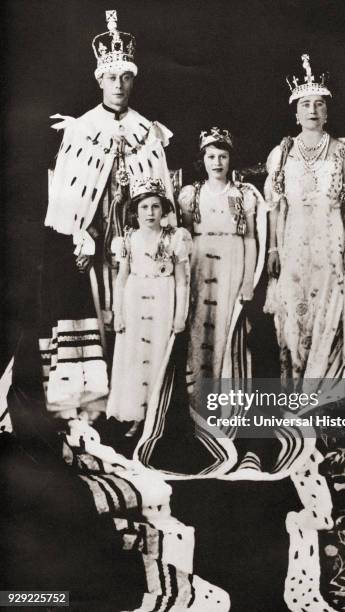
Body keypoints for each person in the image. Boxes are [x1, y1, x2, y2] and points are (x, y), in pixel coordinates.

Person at [39, 10, 174, 419]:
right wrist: (82, 234)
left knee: (135, 315)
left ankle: (133, 405)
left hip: (137, 241)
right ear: (99, 80)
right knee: (98, 313)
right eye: (111, 78)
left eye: (126, 77)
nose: (119, 85)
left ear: (134, 80)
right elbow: (66, 197)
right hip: (94, 240)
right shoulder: (80, 130)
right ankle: (96, 404)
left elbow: (162, 195)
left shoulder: (146, 131)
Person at [264, 54, 345, 392]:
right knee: (294, 316)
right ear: (296, 111)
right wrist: (274, 247)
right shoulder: (283, 152)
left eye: (319, 104)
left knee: (329, 314)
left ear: (327, 111)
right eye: (306, 104)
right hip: (294, 245)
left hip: (332, 244)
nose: (313, 110)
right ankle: (295, 393)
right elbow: (276, 205)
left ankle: (322, 395)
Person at [178, 127, 265, 418]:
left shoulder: (244, 195)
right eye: (211, 156)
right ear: (202, 159)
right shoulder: (191, 194)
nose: (217, 163)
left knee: (228, 331)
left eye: (223, 156)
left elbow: (251, 238)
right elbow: (186, 236)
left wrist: (247, 282)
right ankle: (197, 403)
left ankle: (228, 406)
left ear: (230, 159)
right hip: (200, 268)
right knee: (200, 329)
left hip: (232, 265)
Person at [107, 178, 192, 436]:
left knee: (158, 356)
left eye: (155, 207)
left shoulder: (175, 237)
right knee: (133, 357)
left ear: (164, 210)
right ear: (136, 211)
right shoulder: (128, 239)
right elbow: (121, 278)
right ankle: (136, 415)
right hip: (134, 299)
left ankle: (157, 416)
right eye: (144, 207)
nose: (150, 213)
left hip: (162, 300)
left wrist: (180, 316)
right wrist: (117, 313)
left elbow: (182, 280)